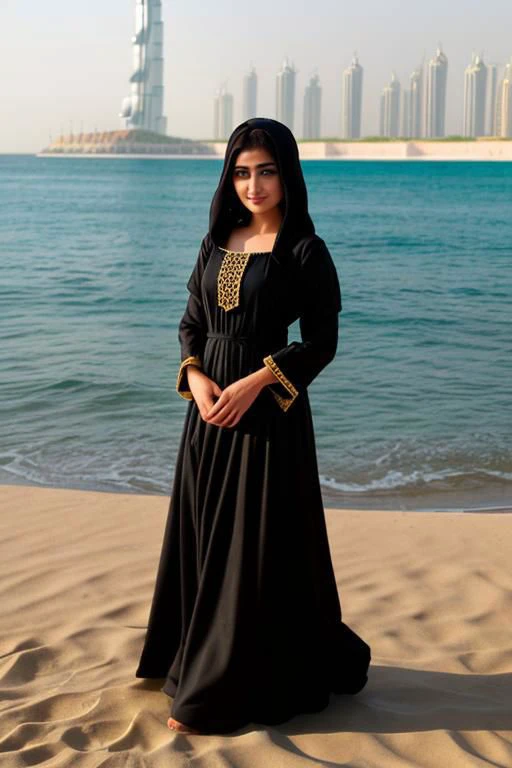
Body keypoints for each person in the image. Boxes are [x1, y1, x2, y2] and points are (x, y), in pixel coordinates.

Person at [135, 117, 371, 735]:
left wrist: (256, 381)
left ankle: (218, 688)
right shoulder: (216, 241)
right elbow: (191, 321)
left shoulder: (305, 251)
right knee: (204, 531)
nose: (254, 185)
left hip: (268, 420)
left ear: (287, 174)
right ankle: (187, 654)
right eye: (242, 172)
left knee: (249, 546)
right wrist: (199, 379)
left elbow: (322, 342)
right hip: (208, 413)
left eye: (266, 171)